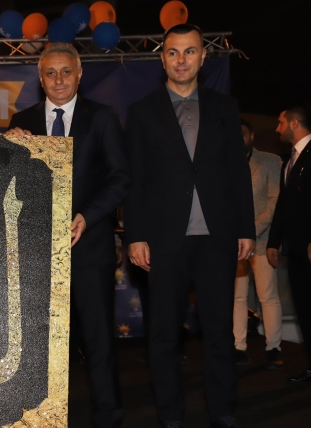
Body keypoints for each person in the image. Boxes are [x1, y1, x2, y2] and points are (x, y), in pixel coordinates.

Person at [124, 24, 255, 428]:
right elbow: (135, 180)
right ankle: (170, 415)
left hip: (217, 238)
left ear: (202, 57)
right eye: (173, 52)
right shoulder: (142, 111)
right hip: (164, 240)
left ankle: (223, 410)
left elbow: (237, 172)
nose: (181, 60)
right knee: (164, 335)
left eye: (190, 51)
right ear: (163, 59)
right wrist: (135, 235)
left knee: (219, 332)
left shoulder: (225, 106)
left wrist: (246, 229)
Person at [6, 42, 131, 428]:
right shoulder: (21, 120)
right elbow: (7, 182)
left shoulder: (103, 117)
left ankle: (107, 416)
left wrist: (87, 217)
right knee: (36, 343)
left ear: (79, 74)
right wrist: (8, 148)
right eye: (50, 73)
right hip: (35, 252)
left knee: (97, 340)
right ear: (40, 78)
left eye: (65, 72)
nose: (58, 80)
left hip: (89, 246)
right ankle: (37, 417)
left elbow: (120, 178)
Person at [232, 119, 283, 368]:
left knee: (268, 296)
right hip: (232, 242)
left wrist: (250, 231)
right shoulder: (222, 162)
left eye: (242, 132)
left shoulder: (270, 161)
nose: (238, 136)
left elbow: (275, 200)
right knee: (237, 297)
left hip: (262, 240)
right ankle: (238, 346)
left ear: (252, 136)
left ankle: (273, 348)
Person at [267, 102, 311, 383]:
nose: (277, 129)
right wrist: (273, 242)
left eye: (281, 122)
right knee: (305, 309)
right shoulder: (289, 161)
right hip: (295, 250)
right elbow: (283, 206)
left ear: (295, 123)